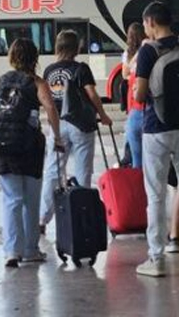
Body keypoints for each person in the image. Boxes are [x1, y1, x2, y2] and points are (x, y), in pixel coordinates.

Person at [134, 2, 179, 277]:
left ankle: (156, 259)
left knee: (155, 196)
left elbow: (140, 96)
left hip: (156, 129)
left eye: (144, 24)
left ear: (151, 21)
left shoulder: (147, 51)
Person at [0, 38, 63, 268]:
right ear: (34, 58)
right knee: (30, 199)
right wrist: (56, 137)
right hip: (29, 147)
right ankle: (30, 249)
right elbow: (50, 108)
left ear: (12, 57)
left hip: (3, 148)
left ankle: (11, 251)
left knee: (12, 199)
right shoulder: (37, 83)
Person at [39, 30, 112, 233]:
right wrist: (103, 115)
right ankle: (80, 217)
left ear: (58, 46)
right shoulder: (81, 68)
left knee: (53, 172)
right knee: (82, 171)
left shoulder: (49, 71)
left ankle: (42, 220)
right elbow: (91, 93)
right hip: (81, 125)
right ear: (76, 48)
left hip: (58, 125)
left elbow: (46, 101)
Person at [123, 23, 148, 168]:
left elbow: (125, 74)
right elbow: (125, 73)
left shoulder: (130, 53)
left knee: (137, 153)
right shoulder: (139, 52)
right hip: (138, 100)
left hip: (134, 102)